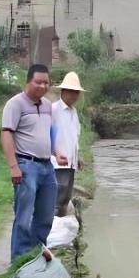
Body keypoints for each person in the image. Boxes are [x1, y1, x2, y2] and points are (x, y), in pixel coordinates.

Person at [1, 65, 67, 261]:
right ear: (27, 82)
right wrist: (14, 166)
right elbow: (6, 134)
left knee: (46, 216)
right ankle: (19, 263)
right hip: (26, 165)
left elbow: (48, 133)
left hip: (47, 167)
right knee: (24, 217)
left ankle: (36, 256)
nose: (43, 86)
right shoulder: (15, 104)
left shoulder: (47, 105)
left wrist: (57, 152)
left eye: (46, 82)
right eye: (38, 82)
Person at [51, 72, 84, 217]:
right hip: (57, 163)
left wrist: (78, 155)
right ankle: (51, 232)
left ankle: (61, 227)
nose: (74, 95)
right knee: (55, 199)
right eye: (71, 91)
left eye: (76, 92)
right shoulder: (53, 109)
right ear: (63, 91)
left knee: (65, 198)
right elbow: (48, 134)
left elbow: (74, 136)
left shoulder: (74, 112)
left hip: (70, 163)